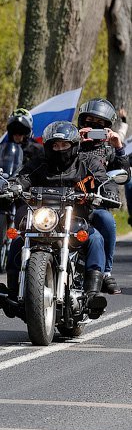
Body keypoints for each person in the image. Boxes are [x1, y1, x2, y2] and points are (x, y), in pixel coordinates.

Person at [0, 121, 114, 319]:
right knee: (18, 240)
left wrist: (107, 193)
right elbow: (23, 176)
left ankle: (92, 294)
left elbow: (103, 181)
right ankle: (13, 291)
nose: (59, 149)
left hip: (76, 218)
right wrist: (13, 187)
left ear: (74, 145)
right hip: (44, 219)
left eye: (64, 145)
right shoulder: (39, 162)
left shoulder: (87, 162)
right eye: (55, 145)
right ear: (48, 147)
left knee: (95, 239)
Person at [77, 98, 128, 295]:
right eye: (90, 122)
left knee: (106, 220)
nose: (93, 127)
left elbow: (124, 174)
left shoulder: (110, 149)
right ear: (82, 122)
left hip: (95, 203)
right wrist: (75, 143)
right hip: (66, 202)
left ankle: (105, 273)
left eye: (100, 125)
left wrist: (119, 148)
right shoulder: (70, 142)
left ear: (107, 128)